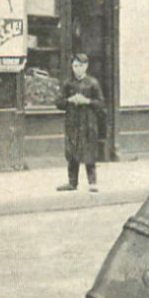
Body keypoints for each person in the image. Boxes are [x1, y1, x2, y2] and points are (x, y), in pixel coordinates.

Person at [56, 53, 105, 193]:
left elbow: (101, 103)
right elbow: (58, 102)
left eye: (81, 66)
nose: (77, 69)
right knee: (72, 151)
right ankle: (72, 182)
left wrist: (87, 101)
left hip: (88, 121)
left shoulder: (93, 83)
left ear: (86, 66)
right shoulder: (68, 83)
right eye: (75, 66)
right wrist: (69, 100)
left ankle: (92, 182)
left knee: (89, 151)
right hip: (72, 121)